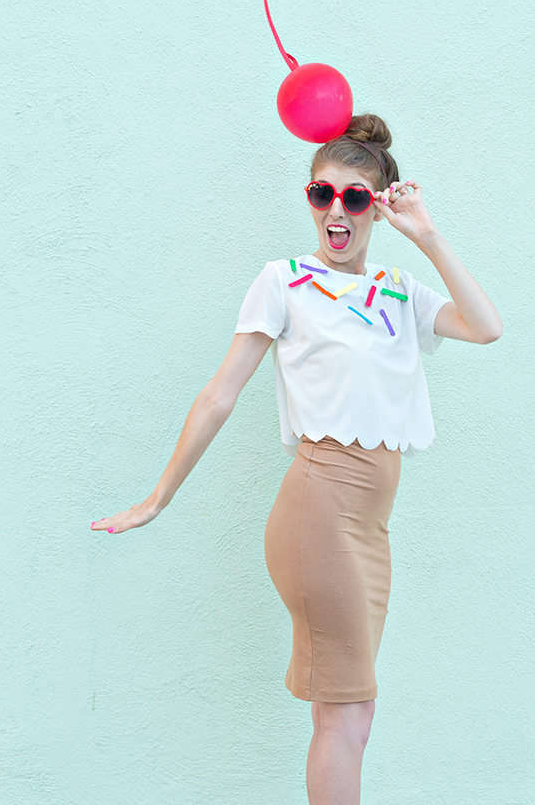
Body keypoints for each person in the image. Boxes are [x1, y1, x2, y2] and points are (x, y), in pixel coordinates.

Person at [90, 114, 502, 805]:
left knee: (351, 714)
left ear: (378, 205)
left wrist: (427, 235)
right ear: (310, 198)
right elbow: (221, 395)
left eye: (356, 198)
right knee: (346, 713)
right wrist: (159, 496)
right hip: (318, 510)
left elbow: (486, 327)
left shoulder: (398, 292)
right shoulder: (284, 281)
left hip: (370, 528)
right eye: (322, 194)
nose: (336, 211)